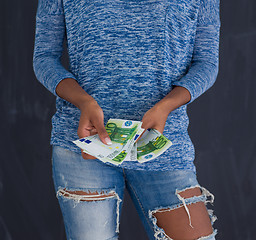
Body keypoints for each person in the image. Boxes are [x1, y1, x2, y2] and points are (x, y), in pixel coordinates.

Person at [33, 0, 221, 239]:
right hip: (85, 144)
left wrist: (167, 105)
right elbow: (44, 57)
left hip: (162, 143)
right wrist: (84, 101)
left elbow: (206, 62)